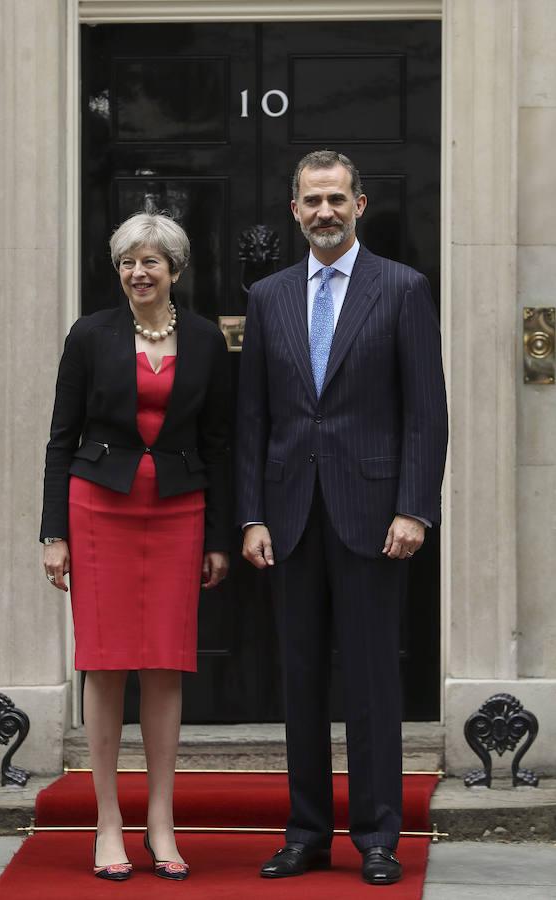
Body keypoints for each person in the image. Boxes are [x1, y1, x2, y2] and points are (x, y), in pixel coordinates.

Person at [236, 150, 447, 886]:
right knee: (298, 683)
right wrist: (251, 515)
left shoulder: (403, 289)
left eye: (335, 198)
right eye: (310, 200)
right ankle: (306, 834)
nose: (323, 211)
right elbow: (253, 417)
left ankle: (378, 836)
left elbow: (425, 413)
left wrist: (415, 507)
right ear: (293, 210)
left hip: (373, 515)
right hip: (289, 517)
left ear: (359, 204)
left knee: (370, 684)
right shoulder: (266, 297)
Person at [40, 212, 231, 882]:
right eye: (127, 261)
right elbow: (60, 438)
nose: (137, 272)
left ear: (174, 268)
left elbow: (216, 444)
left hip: (178, 511)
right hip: (98, 511)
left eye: (151, 261)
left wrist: (217, 539)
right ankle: (107, 821)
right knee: (105, 662)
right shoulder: (90, 336)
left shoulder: (206, 342)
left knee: (162, 663)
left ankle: (159, 820)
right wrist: (52, 533)